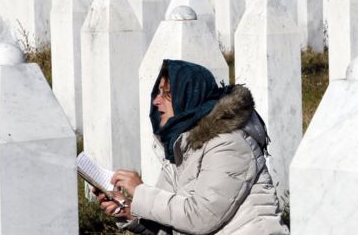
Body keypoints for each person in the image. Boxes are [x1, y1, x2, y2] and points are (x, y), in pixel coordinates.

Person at [93, 59, 289, 235]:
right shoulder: (180, 146)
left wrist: (140, 191)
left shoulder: (229, 143)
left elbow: (201, 217)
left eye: (167, 94)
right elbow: (173, 220)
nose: (156, 101)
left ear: (188, 97)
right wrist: (129, 210)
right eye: (158, 92)